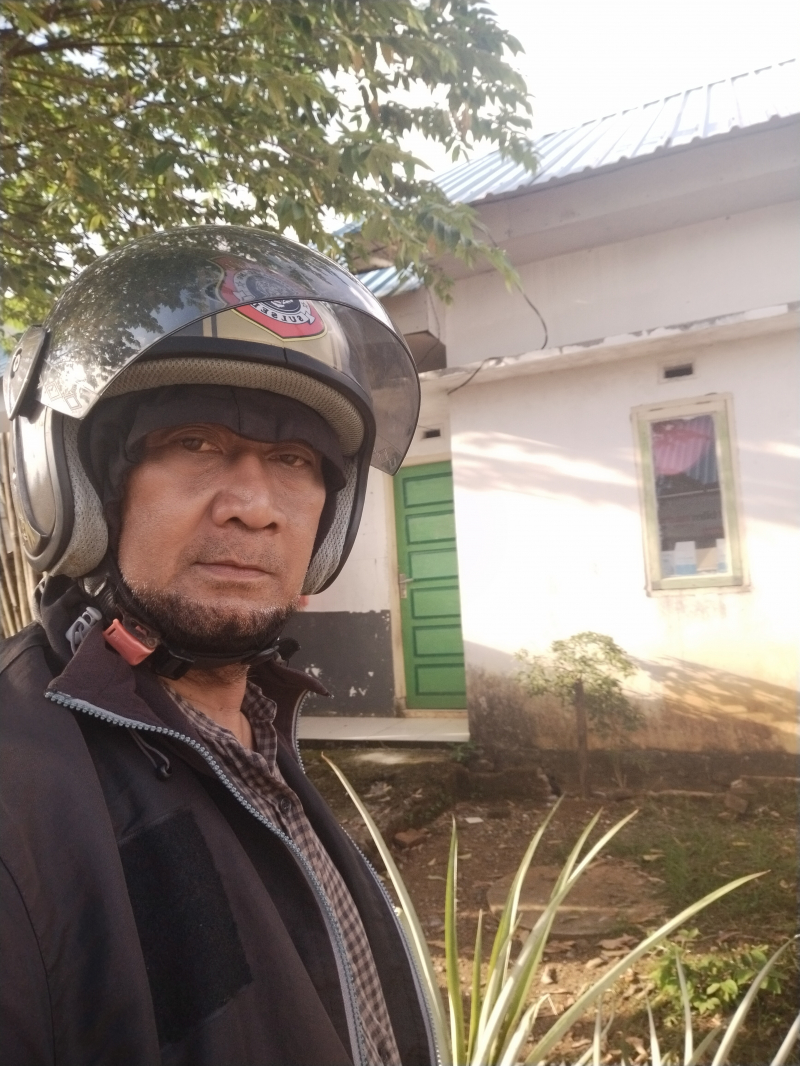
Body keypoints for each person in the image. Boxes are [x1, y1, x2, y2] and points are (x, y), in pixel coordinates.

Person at [0, 228, 434, 1065]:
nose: (255, 508)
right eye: (194, 443)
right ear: (83, 491)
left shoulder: (258, 730)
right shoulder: (21, 786)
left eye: (293, 459)